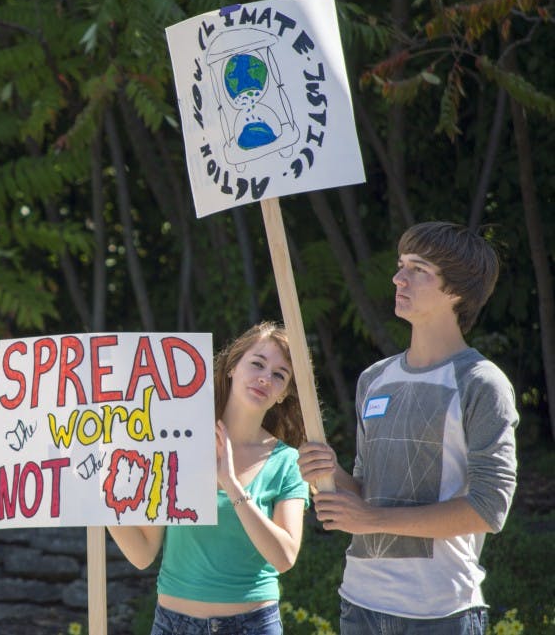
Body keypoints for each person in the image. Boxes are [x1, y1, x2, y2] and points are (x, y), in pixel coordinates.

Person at [298, 221, 518, 634]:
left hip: (440, 612)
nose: (398, 278)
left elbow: (489, 510)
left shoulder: (481, 384)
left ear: (456, 290)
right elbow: (367, 492)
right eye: (401, 265)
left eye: (418, 269)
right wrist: (326, 473)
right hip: (358, 604)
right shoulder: (374, 379)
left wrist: (371, 519)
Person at [108, 321, 311, 635]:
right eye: (257, 363)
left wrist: (231, 483)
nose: (264, 378)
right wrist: (100, 502)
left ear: (283, 394)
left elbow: (284, 557)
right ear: (232, 367)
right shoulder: (177, 442)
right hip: (173, 624)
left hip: (252, 626)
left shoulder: (287, 461)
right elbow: (143, 554)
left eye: (279, 375)